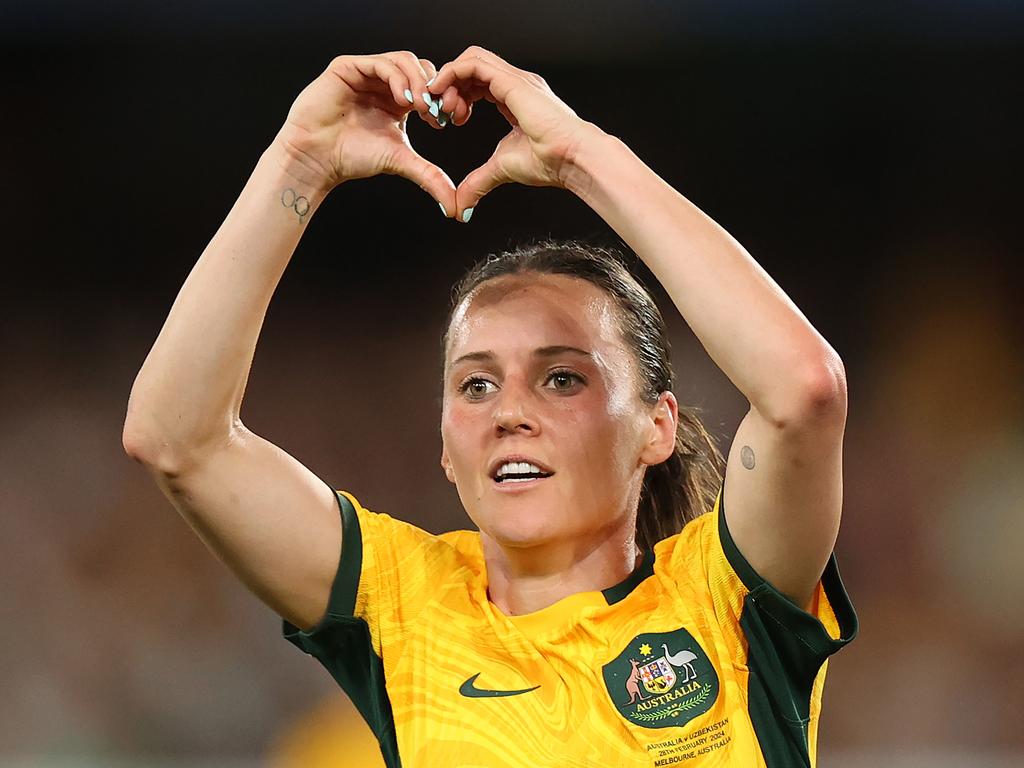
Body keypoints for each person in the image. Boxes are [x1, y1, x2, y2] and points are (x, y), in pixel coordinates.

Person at [123, 46, 857, 767]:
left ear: (656, 426)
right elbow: (176, 439)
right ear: (446, 445)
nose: (509, 411)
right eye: (476, 384)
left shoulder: (724, 600)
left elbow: (804, 392)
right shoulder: (403, 605)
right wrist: (299, 163)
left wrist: (580, 155)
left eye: (562, 378)